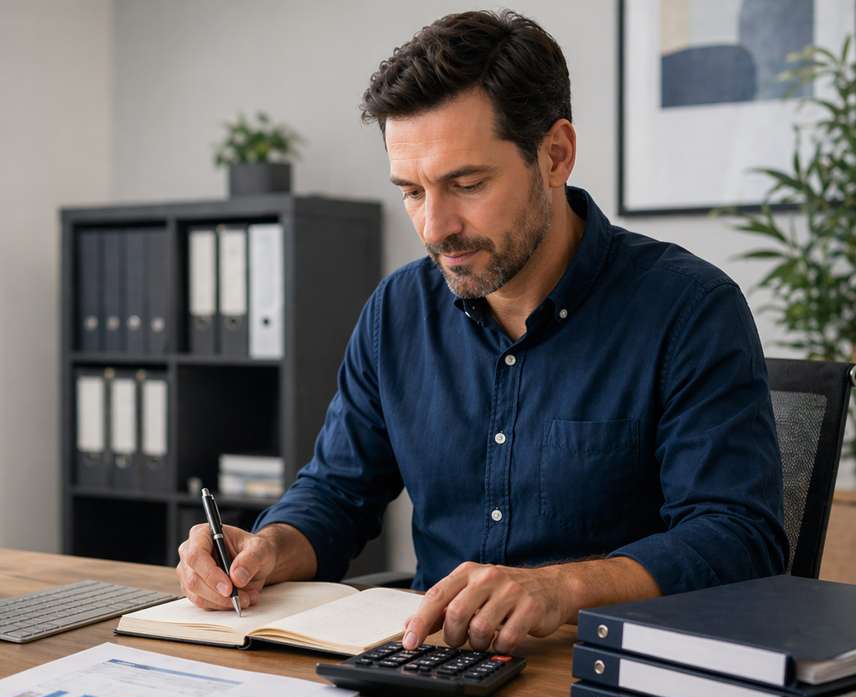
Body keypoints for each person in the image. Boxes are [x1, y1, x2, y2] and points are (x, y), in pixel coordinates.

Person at [175, 9, 786, 654]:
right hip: (429, 665)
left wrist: (560, 588)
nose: (435, 227)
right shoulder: (397, 312)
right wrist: (268, 548)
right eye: (411, 191)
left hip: (608, 676)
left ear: (555, 155)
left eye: (466, 184)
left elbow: (737, 537)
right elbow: (337, 492)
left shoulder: (689, 309)